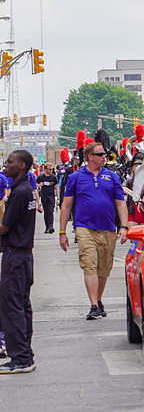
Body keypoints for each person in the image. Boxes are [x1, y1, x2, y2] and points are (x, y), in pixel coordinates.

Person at [59, 141, 129, 320]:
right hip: (84, 229)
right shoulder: (76, 177)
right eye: (100, 154)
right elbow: (66, 206)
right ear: (90, 157)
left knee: (104, 268)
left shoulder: (112, 177)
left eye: (104, 154)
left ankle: (98, 299)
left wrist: (124, 226)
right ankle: (93, 305)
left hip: (108, 229)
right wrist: (62, 232)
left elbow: (120, 203)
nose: (104, 157)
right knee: (89, 265)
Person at [0, 150, 38, 374]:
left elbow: (5, 226)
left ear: (21, 166)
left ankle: (21, 358)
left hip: (15, 256)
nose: (6, 165)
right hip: (24, 255)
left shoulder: (19, 192)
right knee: (22, 306)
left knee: (11, 307)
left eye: (10, 162)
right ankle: (26, 354)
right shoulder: (26, 190)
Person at [36, 162, 58, 233]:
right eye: (49, 169)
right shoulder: (41, 177)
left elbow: (57, 187)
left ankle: (51, 226)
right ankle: (47, 227)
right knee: (46, 212)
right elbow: (34, 184)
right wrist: (39, 185)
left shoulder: (54, 177)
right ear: (45, 169)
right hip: (44, 196)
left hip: (51, 196)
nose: (51, 171)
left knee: (50, 211)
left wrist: (58, 198)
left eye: (52, 169)